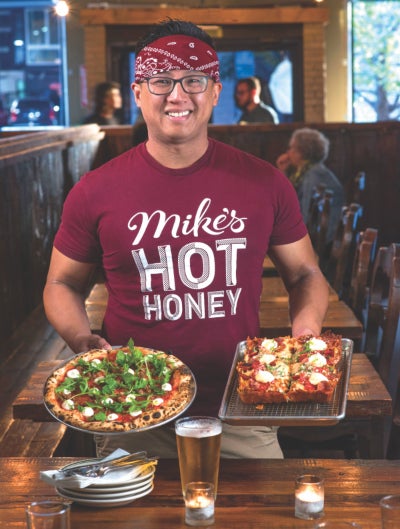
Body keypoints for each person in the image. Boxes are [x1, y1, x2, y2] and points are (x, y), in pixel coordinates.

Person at [43, 19, 328, 460]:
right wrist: (82, 342)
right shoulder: (95, 190)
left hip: (240, 411)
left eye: (194, 80)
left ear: (215, 91)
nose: (177, 96)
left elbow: (305, 272)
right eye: (161, 81)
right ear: (138, 92)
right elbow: (61, 283)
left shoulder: (265, 182)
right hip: (128, 411)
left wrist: (305, 333)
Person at [276, 127, 344, 245]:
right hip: (322, 237)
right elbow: (291, 201)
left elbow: (305, 218)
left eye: (291, 148)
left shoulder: (314, 176)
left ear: (301, 152)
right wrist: (283, 172)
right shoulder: (309, 171)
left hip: (324, 242)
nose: (288, 152)